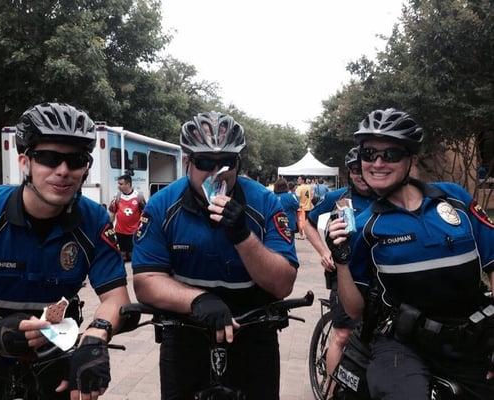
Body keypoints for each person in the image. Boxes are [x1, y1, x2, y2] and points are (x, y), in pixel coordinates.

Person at [0, 102, 131, 400]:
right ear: (25, 162)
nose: (63, 171)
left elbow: (116, 298)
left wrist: (95, 337)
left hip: (52, 360)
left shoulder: (94, 221)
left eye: (76, 160)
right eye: (49, 158)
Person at [327, 108, 494, 399]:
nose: (378, 163)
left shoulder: (455, 199)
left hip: (468, 339)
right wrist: (341, 261)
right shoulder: (365, 226)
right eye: (368, 154)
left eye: (390, 154)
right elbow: (354, 311)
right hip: (401, 347)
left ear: (411, 160)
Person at [132, 111, 298, 400]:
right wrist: (196, 299)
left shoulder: (265, 202)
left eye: (226, 163)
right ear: (188, 162)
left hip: (252, 327)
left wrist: (243, 236)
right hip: (186, 327)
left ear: (239, 164)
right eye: (204, 162)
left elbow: (283, 284)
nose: (216, 172)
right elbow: (145, 280)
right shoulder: (161, 205)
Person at [305, 146, 374, 386]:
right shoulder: (340, 197)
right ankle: (333, 390)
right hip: (345, 275)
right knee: (343, 334)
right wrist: (324, 252)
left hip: (375, 277)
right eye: (354, 170)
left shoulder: (385, 196)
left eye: (361, 168)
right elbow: (308, 223)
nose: (359, 175)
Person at [109, 174, 146, 261]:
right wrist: (109, 226)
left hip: (133, 232)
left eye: (121, 184)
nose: (118, 186)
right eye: (118, 184)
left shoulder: (138, 196)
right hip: (119, 231)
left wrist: (142, 229)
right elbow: (112, 213)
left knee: (132, 256)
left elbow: (145, 214)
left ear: (128, 184)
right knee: (122, 256)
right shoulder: (117, 196)